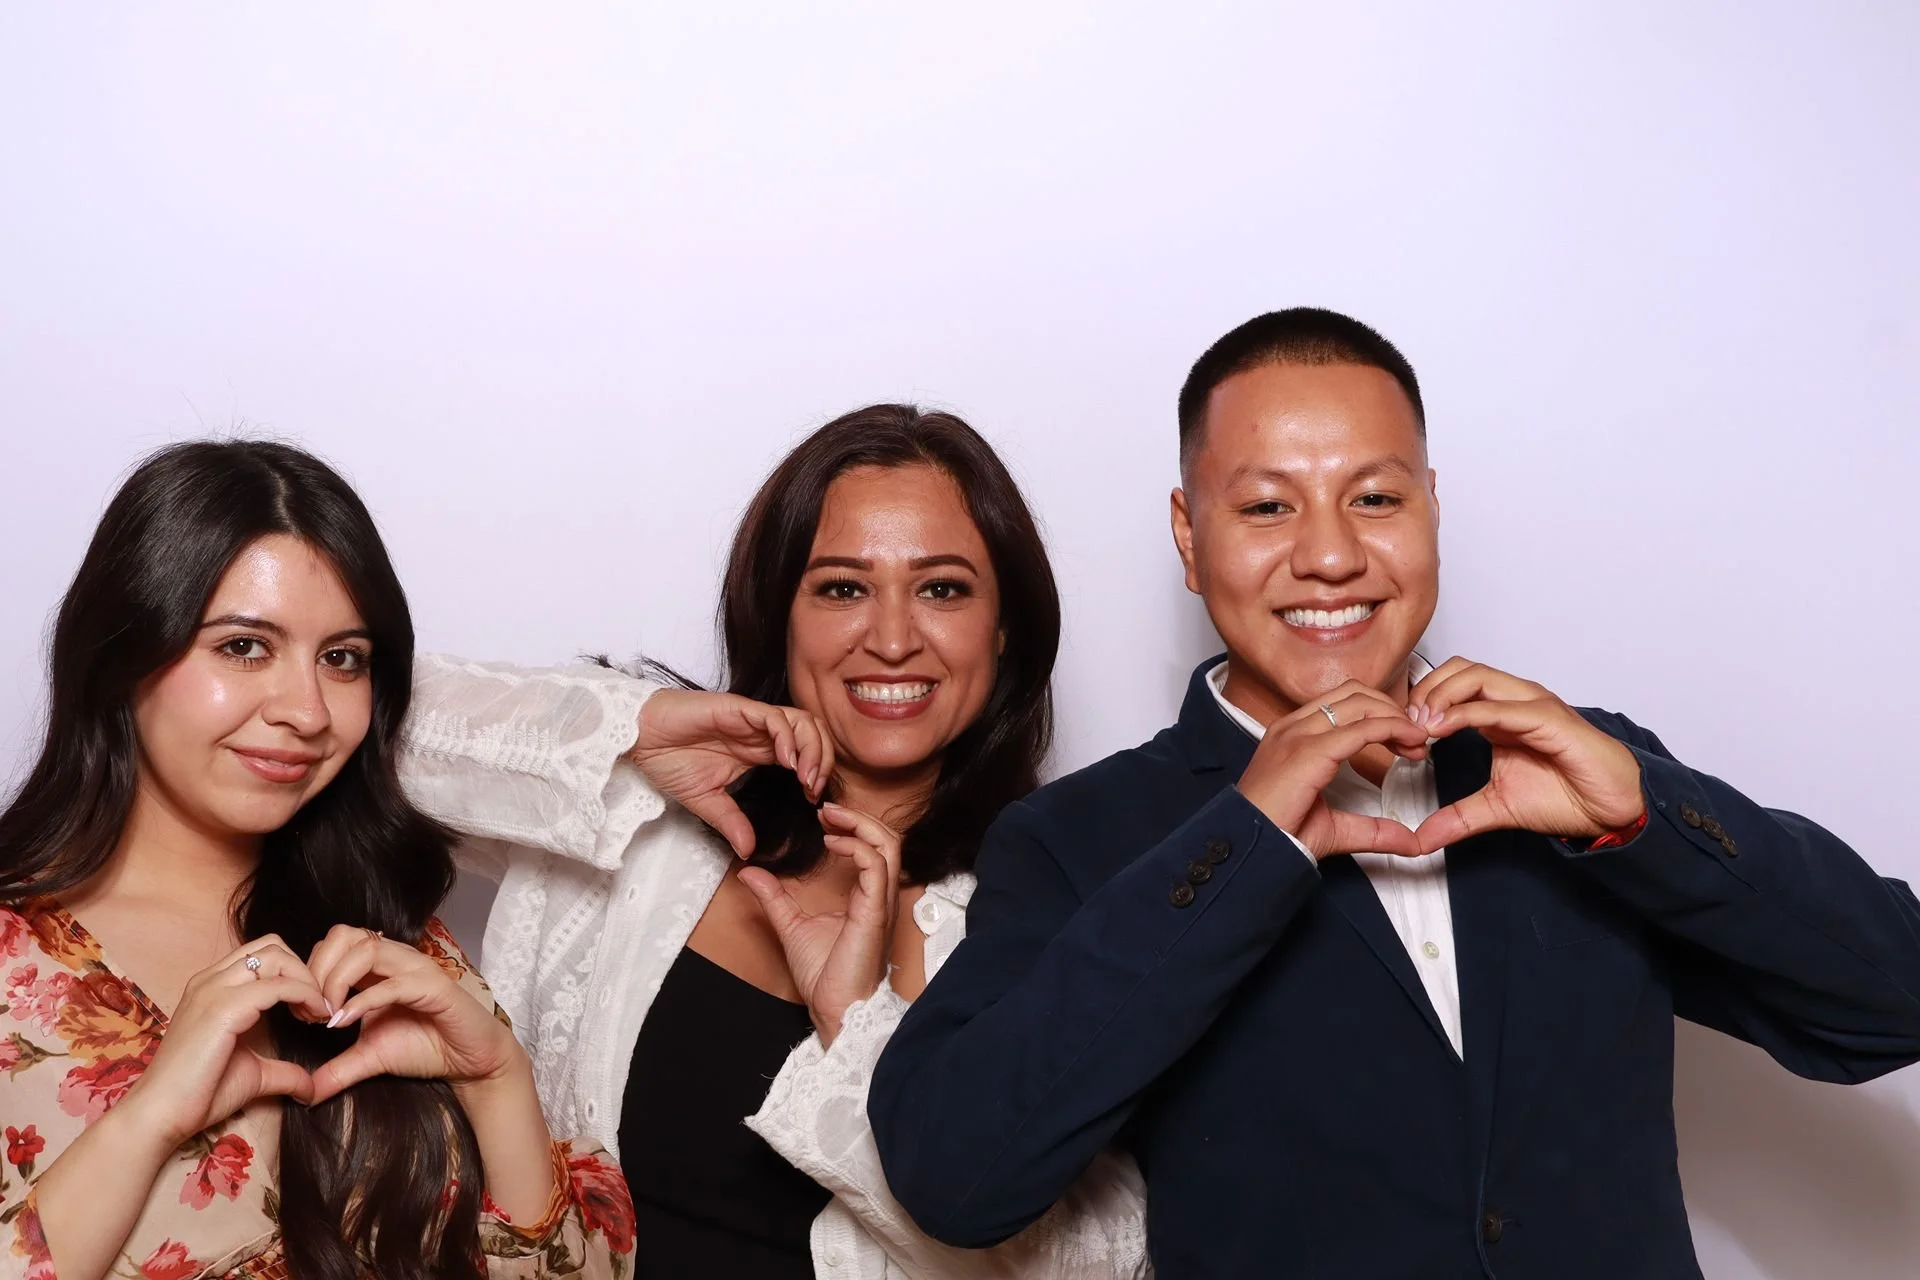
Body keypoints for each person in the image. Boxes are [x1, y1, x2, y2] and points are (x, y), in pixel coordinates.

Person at [867, 309, 1920, 1279]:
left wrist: (1646, 811)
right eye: (1269, 505)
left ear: (1431, 509)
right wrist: (1244, 843)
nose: (1330, 555)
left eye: (1375, 497)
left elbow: (1891, 999)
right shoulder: (1080, 835)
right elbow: (958, 1175)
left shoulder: (1572, 772)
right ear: (1191, 537)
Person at [399, 405, 1148, 1277]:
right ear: (779, 614)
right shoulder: (646, 818)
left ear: (1005, 628)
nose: (894, 638)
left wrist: (858, 1028)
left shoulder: (1068, 911)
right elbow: (343, 724)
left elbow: (1101, 1259)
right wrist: (631, 729)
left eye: (942, 587)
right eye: (841, 587)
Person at [0, 441, 634, 1280]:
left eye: (343, 659)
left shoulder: (382, 937)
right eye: (242, 647)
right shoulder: (17, 967)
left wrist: (497, 1080)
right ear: (121, 654)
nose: (306, 711)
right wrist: (148, 1117)